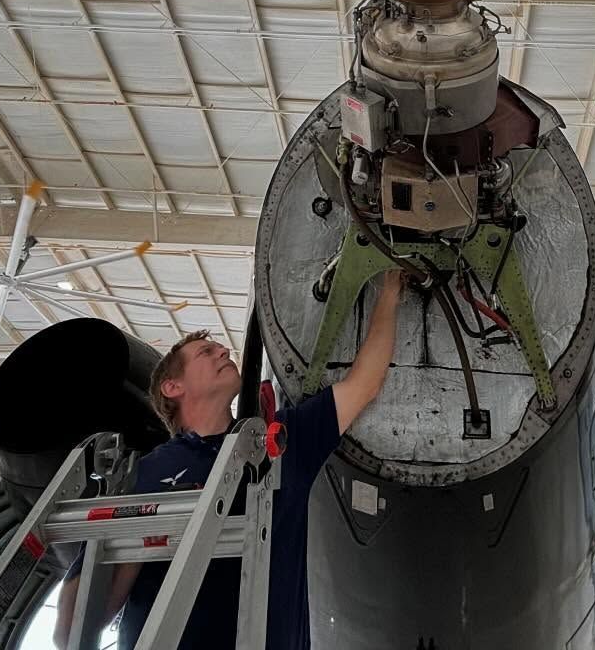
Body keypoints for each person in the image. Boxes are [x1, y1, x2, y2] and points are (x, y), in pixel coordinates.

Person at [54, 270, 403, 650]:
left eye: (220, 348)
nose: (223, 351)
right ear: (173, 388)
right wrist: (143, 537)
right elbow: (73, 627)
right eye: (206, 352)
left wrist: (389, 292)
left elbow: (364, 383)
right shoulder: (144, 472)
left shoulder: (280, 440)